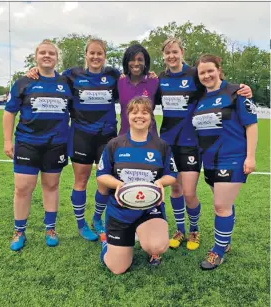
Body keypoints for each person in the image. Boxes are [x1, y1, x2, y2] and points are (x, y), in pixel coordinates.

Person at [156, 38, 253, 251]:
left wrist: (242, 89)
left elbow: (217, 87)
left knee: (189, 193)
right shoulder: (160, 79)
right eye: (167, 53)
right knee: (175, 190)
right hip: (168, 144)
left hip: (191, 144)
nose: (171, 56)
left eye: (175, 51)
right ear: (163, 56)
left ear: (182, 52)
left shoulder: (195, 75)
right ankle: (180, 230)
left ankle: (194, 230)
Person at [27, 38, 120, 242]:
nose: (96, 57)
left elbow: (133, 84)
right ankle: (81, 224)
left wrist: (150, 74)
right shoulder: (71, 75)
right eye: (92, 53)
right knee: (81, 180)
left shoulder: (113, 75)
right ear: (85, 54)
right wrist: (35, 70)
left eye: (100, 53)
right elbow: (50, 78)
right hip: (81, 135)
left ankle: (97, 218)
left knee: (105, 181)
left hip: (107, 136)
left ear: (105, 56)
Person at [3, 39, 73, 251]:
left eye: (51, 53)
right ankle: (19, 231)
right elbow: (9, 112)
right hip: (27, 143)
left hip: (56, 144)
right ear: (36, 57)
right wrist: (7, 141)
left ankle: (50, 229)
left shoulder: (67, 82)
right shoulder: (24, 81)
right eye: (42, 52)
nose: (47, 56)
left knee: (51, 186)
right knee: (23, 188)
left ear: (57, 58)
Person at [97, 97, 177, 274]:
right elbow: (102, 175)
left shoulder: (161, 146)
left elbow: (172, 175)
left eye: (145, 112)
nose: (139, 116)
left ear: (151, 117)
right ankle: (108, 244)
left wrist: (160, 182)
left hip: (149, 209)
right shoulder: (115, 144)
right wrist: (119, 184)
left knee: (157, 246)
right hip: (119, 210)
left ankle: (149, 245)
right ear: (127, 116)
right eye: (134, 112)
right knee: (117, 268)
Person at [192, 54, 257, 270]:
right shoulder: (200, 99)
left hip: (233, 158)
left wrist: (250, 156)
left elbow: (251, 125)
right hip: (209, 161)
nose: (206, 75)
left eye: (210, 70)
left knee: (220, 206)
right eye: (202, 72)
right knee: (225, 205)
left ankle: (218, 251)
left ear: (219, 69)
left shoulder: (235, 92)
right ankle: (225, 241)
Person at [118, 44, 159, 136]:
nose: (136, 63)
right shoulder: (120, 82)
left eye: (140, 60)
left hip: (150, 139)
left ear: (145, 62)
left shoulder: (154, 81)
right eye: (132, 59)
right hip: (125, 139)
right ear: (127, 62)